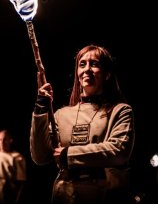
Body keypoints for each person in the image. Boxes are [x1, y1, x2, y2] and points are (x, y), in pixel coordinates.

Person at [30, 44, 135, 203]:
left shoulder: (120, 111)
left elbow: (118, 151)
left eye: (94, 64)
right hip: (65, 196)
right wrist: (40, 109)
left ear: (107, 74)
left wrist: (67, 155)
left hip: (104, 195)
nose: (87, 69)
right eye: (82, 64)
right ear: (77, 73)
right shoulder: (61, 114)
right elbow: (40, 156)